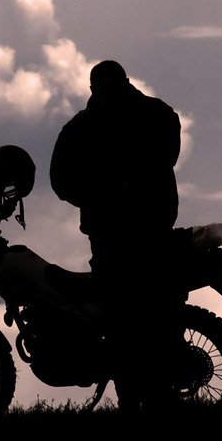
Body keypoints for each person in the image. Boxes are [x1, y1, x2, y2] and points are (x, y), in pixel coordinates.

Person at [50, 60, 185, 413]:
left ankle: (136, 396)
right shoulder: (157, 114)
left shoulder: (81, 127)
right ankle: (155, 393)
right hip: (146, 226)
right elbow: (169, 154)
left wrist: (97, 196)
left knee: (124, 315)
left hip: (118, 231)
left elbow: (61, 181)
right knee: (147, 310)